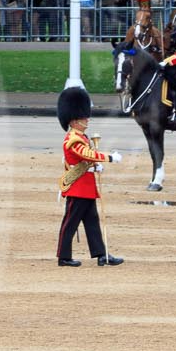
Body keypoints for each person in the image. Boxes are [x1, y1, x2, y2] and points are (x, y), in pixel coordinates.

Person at [55, 87, 125, 267]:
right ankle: (63, 257)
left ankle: (101, 255)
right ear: (74, 120)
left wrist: (95, 167)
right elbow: (87, 155)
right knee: (70, 224)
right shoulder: (73, 139)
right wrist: (109, 158)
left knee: (92, 222)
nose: (87, 119)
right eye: (84, 117)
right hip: (77, 187)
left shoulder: (81, 136)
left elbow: (86, 159)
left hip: (86, 187)